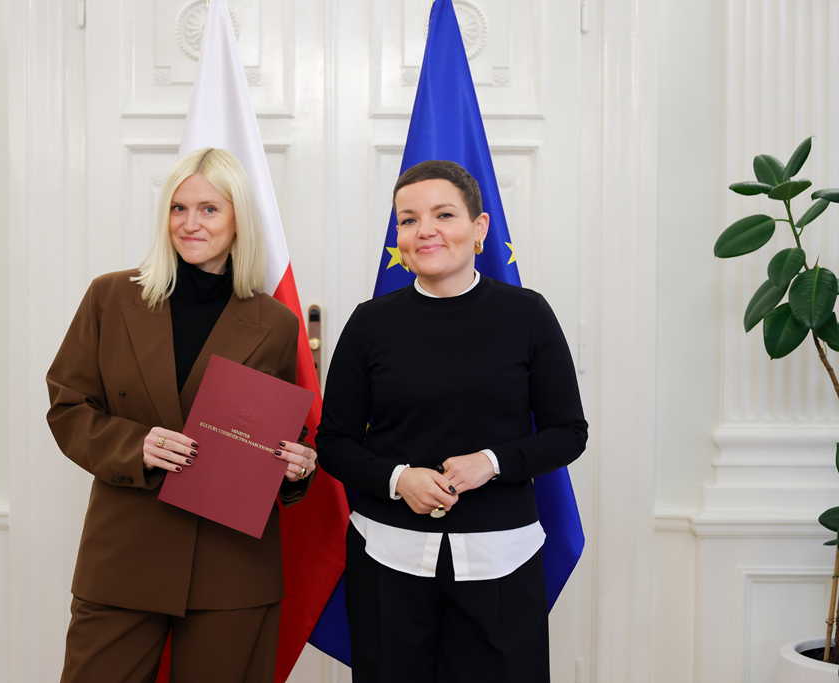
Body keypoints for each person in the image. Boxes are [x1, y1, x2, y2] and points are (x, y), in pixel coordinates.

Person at [46, 147, 318, 683]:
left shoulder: (277, 322)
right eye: (178, 208)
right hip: (125, 555)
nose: (190, 223)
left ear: (239, 218)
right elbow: (68, 407)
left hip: (232, 566)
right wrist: (135, 447)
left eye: (209, 209)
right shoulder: (109, 297)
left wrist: (298, 464)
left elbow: (286, 432)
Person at [316, 159, 587, 683]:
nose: (425, 230)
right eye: (409, 219)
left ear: (479, 227)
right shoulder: (370, 323)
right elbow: (334, 442)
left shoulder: (528, 314)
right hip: (388, 555)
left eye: (443, 214)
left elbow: (568, 433)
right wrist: (399, 479)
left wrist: (492, 462)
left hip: (501, 558)